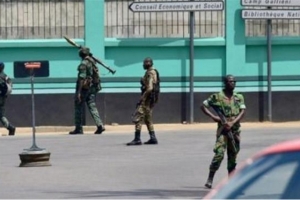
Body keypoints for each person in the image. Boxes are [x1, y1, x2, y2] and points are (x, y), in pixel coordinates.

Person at [201, 74, 246, 189]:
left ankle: (231, 181)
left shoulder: (239, 97)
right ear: (225, 83)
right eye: (230, 81)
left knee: (233, 156)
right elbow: (204, 106)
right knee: (219, 154)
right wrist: (213, 117)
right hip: (223, 130)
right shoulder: (217, 97)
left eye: (234, 81)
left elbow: (242, 111)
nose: (233, 83)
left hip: (234, 130)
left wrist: (233, 122)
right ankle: (210, 178)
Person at [69, 47, 105, 135]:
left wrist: (79, 92)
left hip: (84, 88)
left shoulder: (84, 64)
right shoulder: (92, 61)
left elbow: (82, 78)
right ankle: (100, 125)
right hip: (92, 87)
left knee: (78, 106)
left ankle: (78, 128)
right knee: (92, 105)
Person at [127, 57, 160, 145]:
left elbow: (149, 88)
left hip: (147, 99)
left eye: (144, 63)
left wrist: (142, 97)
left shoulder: (150, 73)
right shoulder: (154, 72)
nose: (143, 65)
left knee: (138, 117)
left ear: (147, 64)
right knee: (148, 118)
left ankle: (137, 138)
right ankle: (153, 137)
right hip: (151, 99)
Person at [0, 62, 15, 136]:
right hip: (3, 98)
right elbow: (11, 85)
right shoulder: (5, 76)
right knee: (1, 115)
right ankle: (10, 128)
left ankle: (11, 128)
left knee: (1, 116)